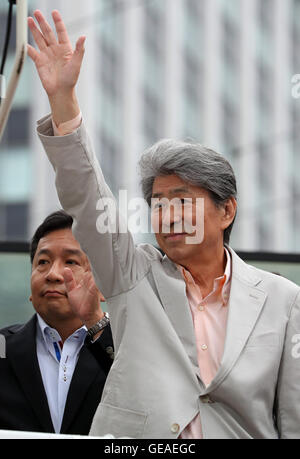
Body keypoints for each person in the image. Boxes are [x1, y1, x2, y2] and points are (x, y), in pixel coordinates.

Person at [28, 10, 300, 439]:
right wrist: (64, 99)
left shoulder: (282, 300)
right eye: (157, 203)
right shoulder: (134, 275)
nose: (167, 215)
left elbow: (292, 417)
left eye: (181, 201)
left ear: (226, 211)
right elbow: (85, 195)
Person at [0, 210, 114, 435]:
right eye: (42, 262)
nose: (53, 274)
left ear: (102, 285)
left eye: (71, 261)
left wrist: (94, 321)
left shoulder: (130, 351)